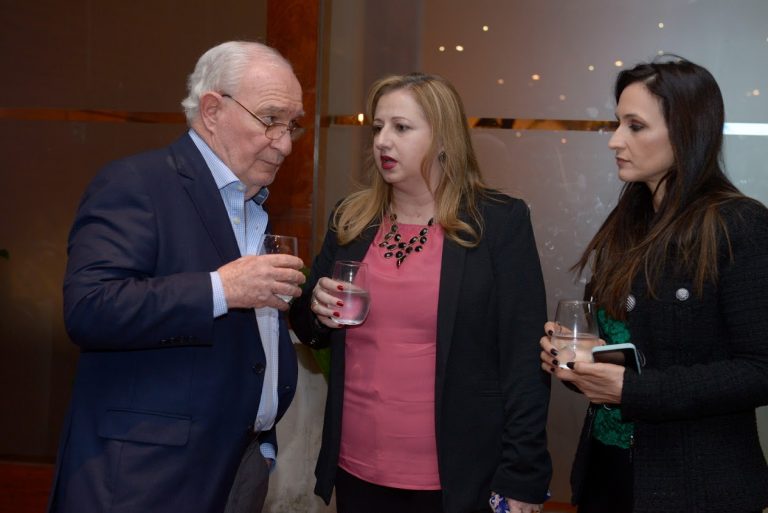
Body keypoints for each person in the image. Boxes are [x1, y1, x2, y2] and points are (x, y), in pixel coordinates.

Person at [48, 41, 307, 513]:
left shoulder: (253, 208)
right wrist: (222, 289)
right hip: (148, 478)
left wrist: (262, 443)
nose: (285, 143)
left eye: (292, 125)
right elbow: (90, 307)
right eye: (270, 119)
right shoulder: (138, 183)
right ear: (212, 110)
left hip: (240, 465)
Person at [290, 72, 552, 513]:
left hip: (458, 475)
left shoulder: (496, 223)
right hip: (358, 466)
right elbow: (308, 327)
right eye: (378, 128)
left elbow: (525, 359)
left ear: (444, 139)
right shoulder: (351, 219)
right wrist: (317, 308)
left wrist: (523, 473)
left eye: (401, 127)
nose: (382, 141)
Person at [540, 57, 768, 512]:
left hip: (695, 488)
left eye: (635, 126)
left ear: (686, 132)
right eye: (617, 123)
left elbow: (761, 370)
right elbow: (627, 350)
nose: (615, 140)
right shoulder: (629, 222)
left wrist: (633, 391)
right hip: (605, 474)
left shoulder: (739, 225)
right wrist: (581, 359)